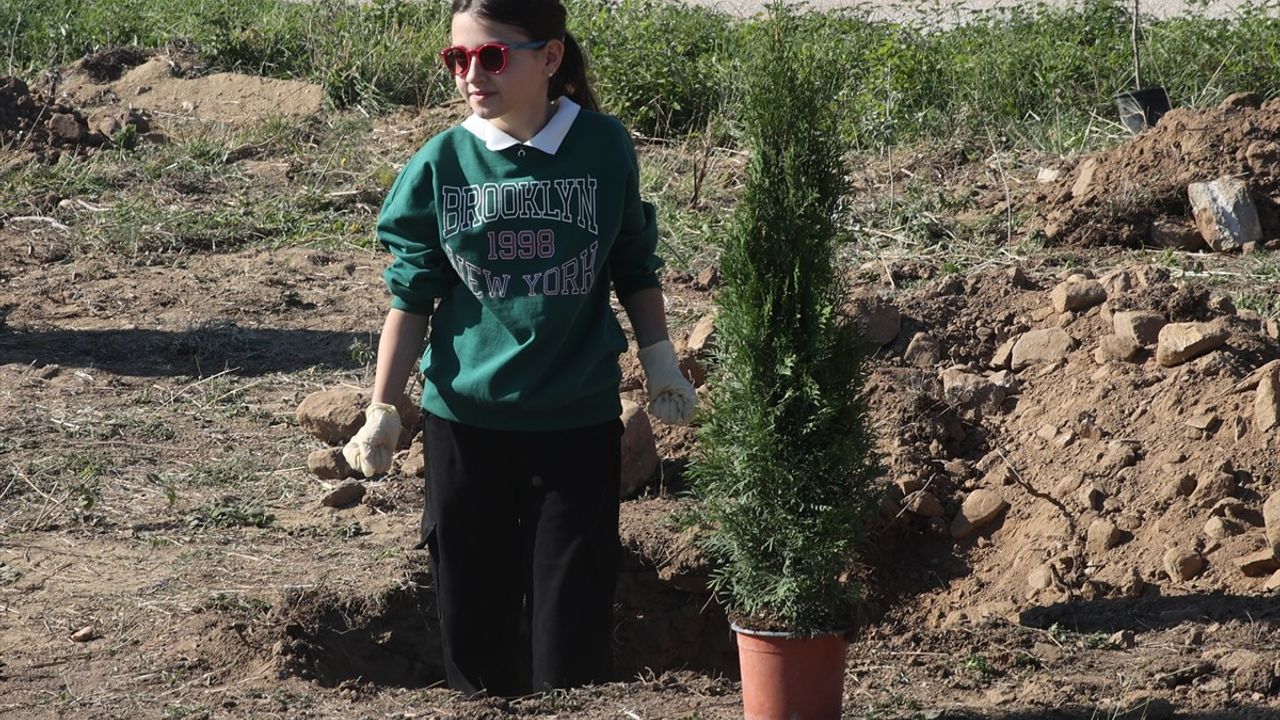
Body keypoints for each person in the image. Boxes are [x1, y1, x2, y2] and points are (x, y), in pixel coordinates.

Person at [341, 0, 697, 698]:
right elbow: (412, 296)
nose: (472, 75)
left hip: (576, 427)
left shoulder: (603, 148)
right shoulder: (443, 162)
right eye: (458, 59)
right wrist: (383, 406)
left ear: (551, 58)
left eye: (493, 56)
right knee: (474, 634)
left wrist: (659, 359)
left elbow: (633, 263)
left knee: (571, 641)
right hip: (465, 429)